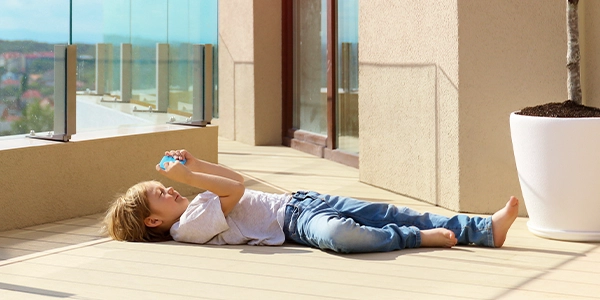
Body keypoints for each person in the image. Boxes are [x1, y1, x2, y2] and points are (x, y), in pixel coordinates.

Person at [103, 149, 519, 253]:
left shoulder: (195, 203)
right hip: (294, 223)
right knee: (339, 234)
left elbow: (235, 180)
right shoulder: (187, 228)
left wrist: (196, 164)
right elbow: (237, 192)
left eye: (166, 185)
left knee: (385, 210)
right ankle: (418, 237)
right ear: (154, 222)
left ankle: (483, 229)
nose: (171, 188)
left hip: (302, 199)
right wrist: (191, 176)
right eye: (162, 193)